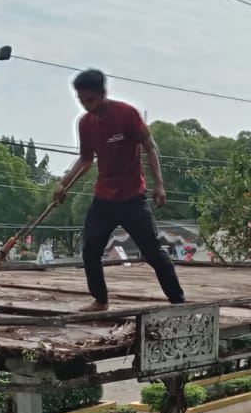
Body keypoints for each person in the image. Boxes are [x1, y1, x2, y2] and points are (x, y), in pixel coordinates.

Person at [52, 69, 186, 312]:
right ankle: (100, 300)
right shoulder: (85, 124)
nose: (86, 106)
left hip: (133, 197)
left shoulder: (126, 114)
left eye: (90, 100)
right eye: (81, 101)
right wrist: (64, 184)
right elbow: (85, 160)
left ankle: (177, 300)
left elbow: (150, 145)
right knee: (90, 248)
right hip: (104, 198)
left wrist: (159, 184)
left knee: (152, 251)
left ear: (103, 93)